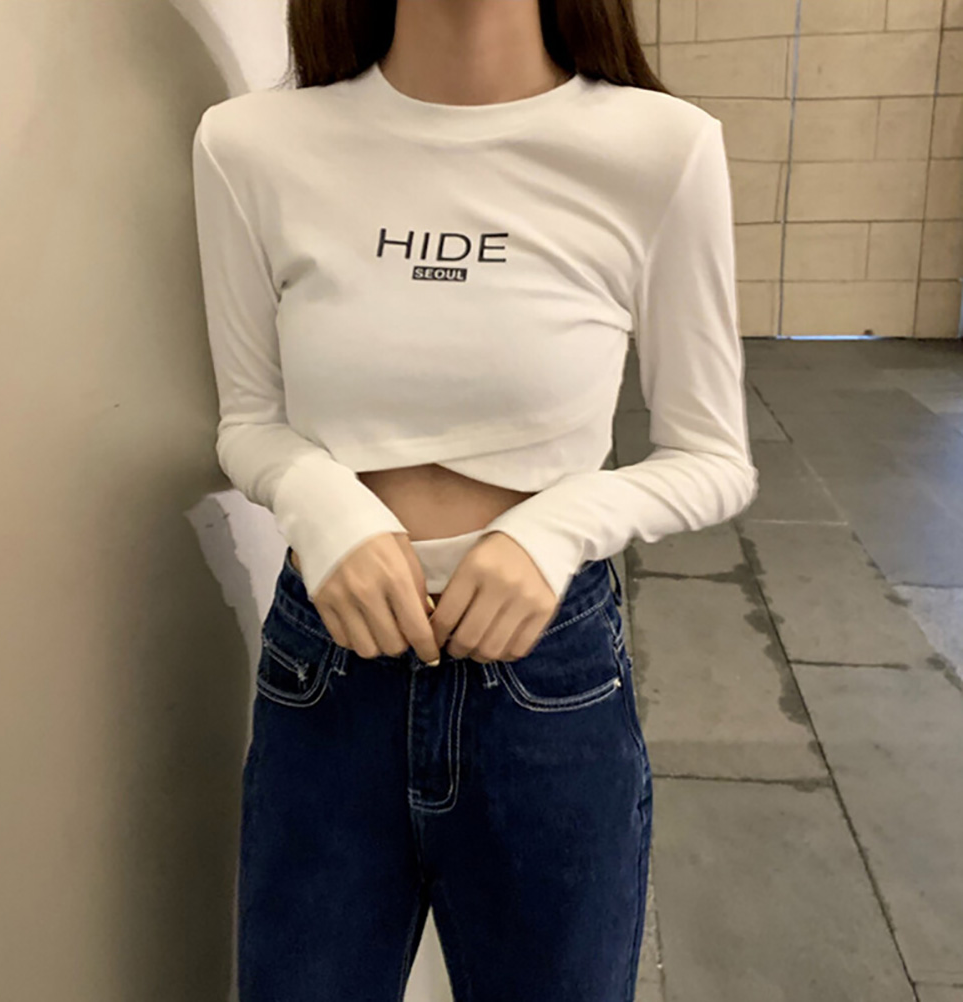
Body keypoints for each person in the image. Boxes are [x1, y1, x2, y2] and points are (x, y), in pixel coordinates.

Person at [191, 1, 758, 999]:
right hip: (327, 677)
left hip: (548, 688)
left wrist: (554, 530)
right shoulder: (251, 146)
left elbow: (713, 457)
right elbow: (249, 422)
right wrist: (326, 506)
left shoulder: (662, 148)